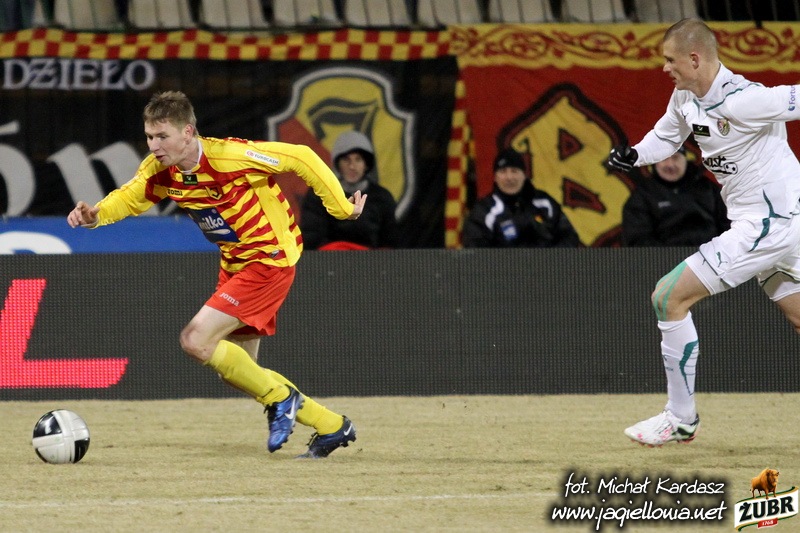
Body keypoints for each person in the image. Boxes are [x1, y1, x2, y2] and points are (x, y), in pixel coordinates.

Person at [67, 91, 364, 458]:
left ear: (188, 132)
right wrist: (96, 215)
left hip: (269, 258)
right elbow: (130, 197)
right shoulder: (160, 169)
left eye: (162, 136)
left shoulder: (230, 156)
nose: (154, 146)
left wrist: (340, 208)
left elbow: (301, 156)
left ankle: (281, 399)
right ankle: (332, 426)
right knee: (240, 371)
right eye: (149, 136)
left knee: (195, 340)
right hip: (235, 263)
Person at [607, 18, 800, 446]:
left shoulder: (745, 100)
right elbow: (666, 137)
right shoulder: (686, 98)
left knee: (667, 296)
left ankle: (680, 418)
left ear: (694, 59)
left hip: (769, 225)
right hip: (779, 222)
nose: (665, 68)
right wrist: (635, 155)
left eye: (670, 60)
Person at [300, 130, 401, 250]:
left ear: (366, 165)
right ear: (337, 164)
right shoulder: (319, 194)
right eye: (346, 160)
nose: (352, 166)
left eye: (358, 160)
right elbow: (311, 239)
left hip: (372, 261)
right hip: (328, 259)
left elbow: (391, 243)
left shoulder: (382, 197)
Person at [463, 148, 580, 248]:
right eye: (503, 171)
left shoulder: (544, 203)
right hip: (504, 268)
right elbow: (475, 251)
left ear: (524, 175)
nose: (509, 177)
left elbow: (570, 237)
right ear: (495, 177)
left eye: (514, 171)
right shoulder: (484, 211)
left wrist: (549, 261)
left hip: (547, 267)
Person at [622, 145, 729, 246]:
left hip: (710, 255)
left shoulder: (708, 188)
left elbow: (729, 228)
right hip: (665, 258)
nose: (670, 164)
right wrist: (668, 255)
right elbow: (637, 240)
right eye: (664, 159)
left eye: (675, 158)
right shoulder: (643, 195)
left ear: (685, 159)